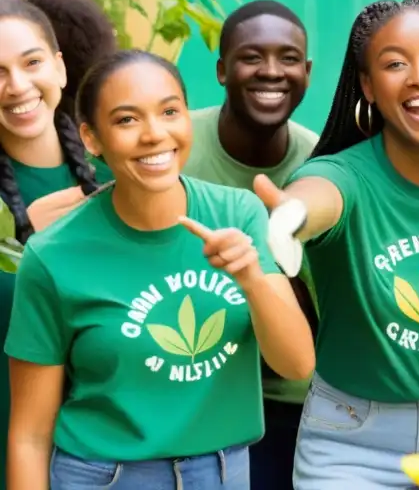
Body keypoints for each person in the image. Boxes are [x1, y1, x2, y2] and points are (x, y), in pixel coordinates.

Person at [4, 49, 316, 490]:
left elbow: (297, 364)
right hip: (105, 477)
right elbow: (30, 437)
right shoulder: (54, 255)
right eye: (127, 120)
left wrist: (250, 276)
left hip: (225, 474)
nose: (154, 134)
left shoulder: (238, 213)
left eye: (170, 111)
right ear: (92, 138)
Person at [254, 0, 419, 489]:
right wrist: (289, 218)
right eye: (395, 64)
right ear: (368, 87)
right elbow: (318, 199)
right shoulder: (343, 175)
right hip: (348, 441)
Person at [183, 0, 320, 489]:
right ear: (221, 70)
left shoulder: (323, 167)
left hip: (289, 403)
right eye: (250, 57)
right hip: (190, 390)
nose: (270, 72)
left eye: (287, 59)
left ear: (307, 71)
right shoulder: (176, 148)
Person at [0, 0, 116, 483]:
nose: (17, 85)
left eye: (31, 63)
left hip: (101, 454)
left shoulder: (120, 178)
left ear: (61, 68)